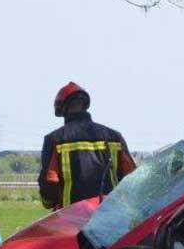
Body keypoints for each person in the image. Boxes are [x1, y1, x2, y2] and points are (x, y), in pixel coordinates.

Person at [38, 82, 136, 210]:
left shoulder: (55, 140)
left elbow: (50, 182)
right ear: (85, 106)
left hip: (70, 219)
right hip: (110, 217)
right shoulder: (114, 137)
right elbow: (131, 177)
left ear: (63, 109)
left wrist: (49, 202)